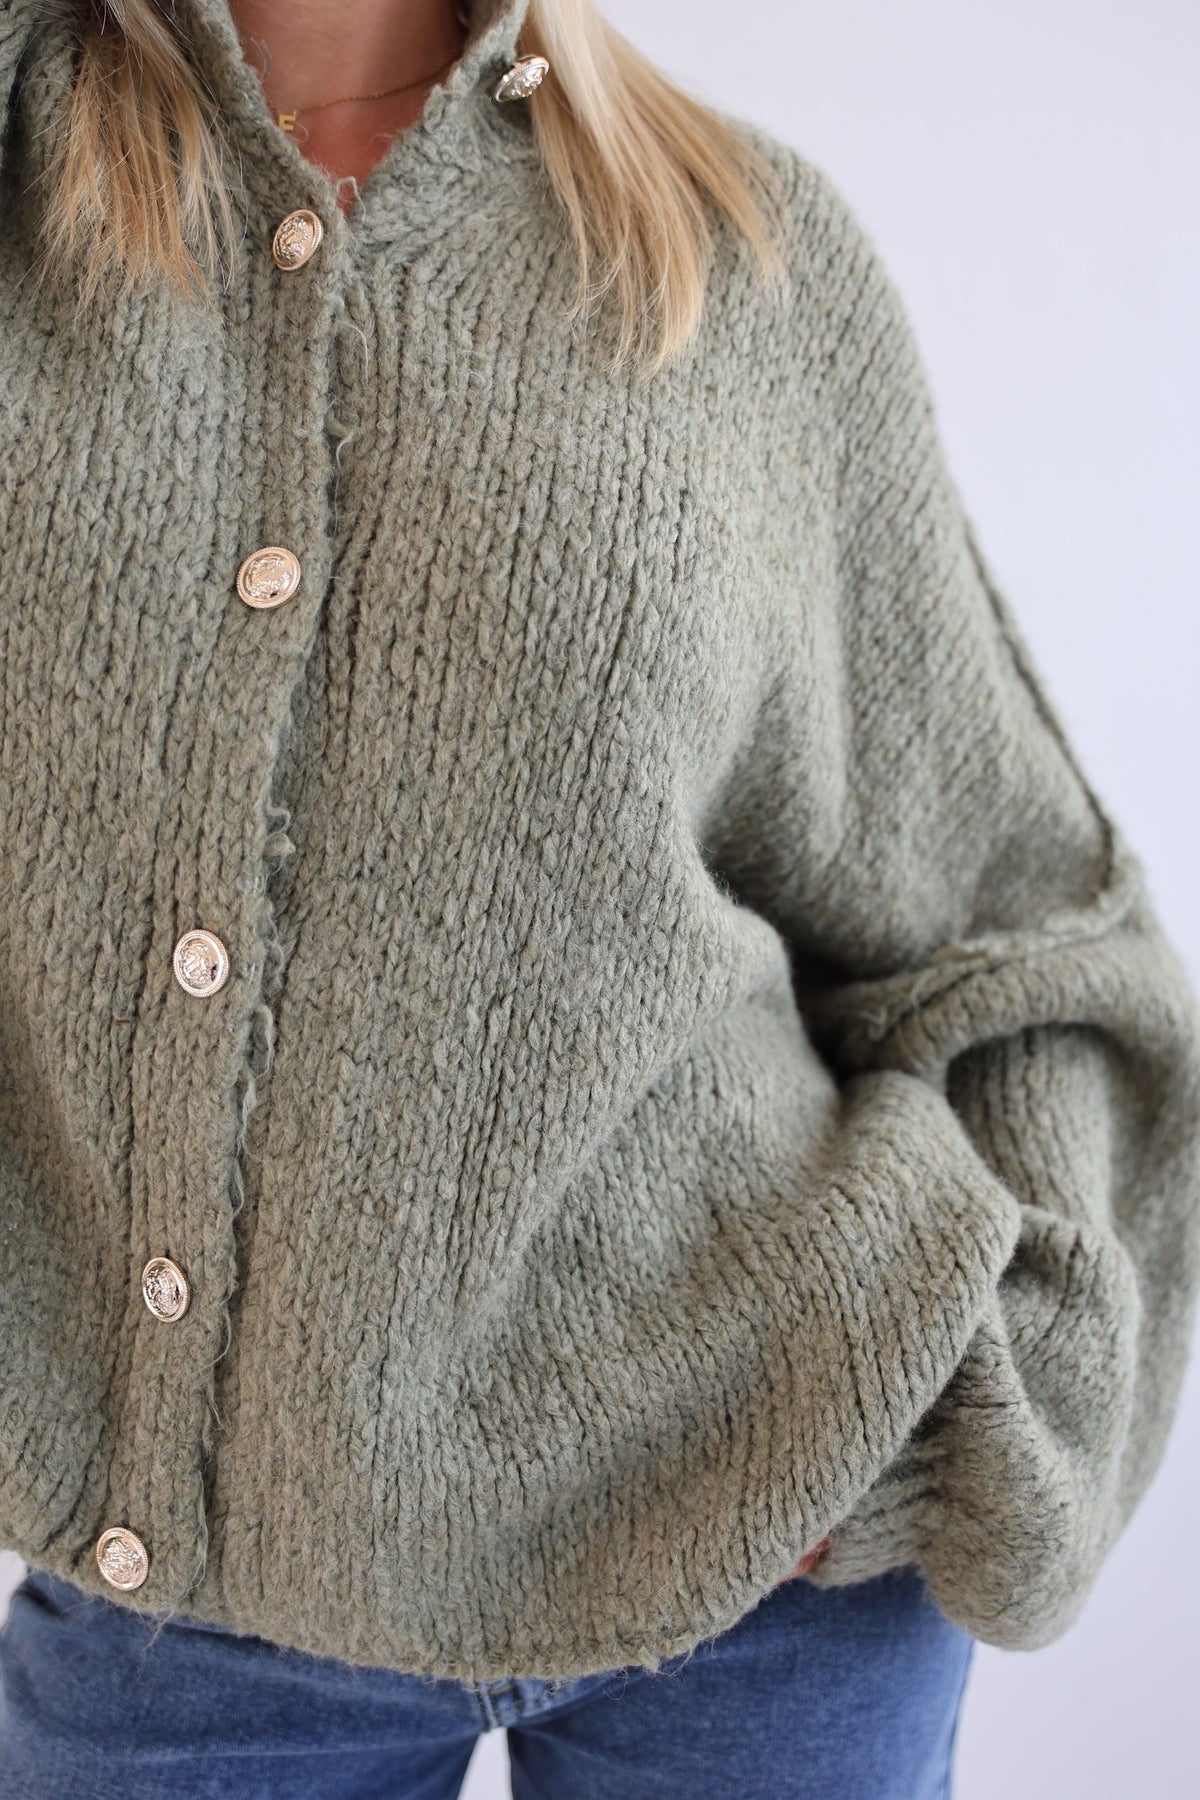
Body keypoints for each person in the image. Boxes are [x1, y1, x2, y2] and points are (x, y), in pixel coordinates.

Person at [0, 1, 1197, 1794]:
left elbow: (1009, 924)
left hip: (763, 1562)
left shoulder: (737, 252)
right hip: (188, 1608)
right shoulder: (32, 197)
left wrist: (990, 1403)